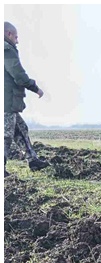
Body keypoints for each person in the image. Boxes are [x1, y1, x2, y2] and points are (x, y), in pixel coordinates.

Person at [4, 21, 49, 175]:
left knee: (21, 129)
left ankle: (33, 160)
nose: (17, 40)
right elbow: (18, 75)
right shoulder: (6, 50)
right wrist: (35, 88)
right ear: (8, 34)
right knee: (6, 135)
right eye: (16, 37)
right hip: (6, 102)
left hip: (9, 102)